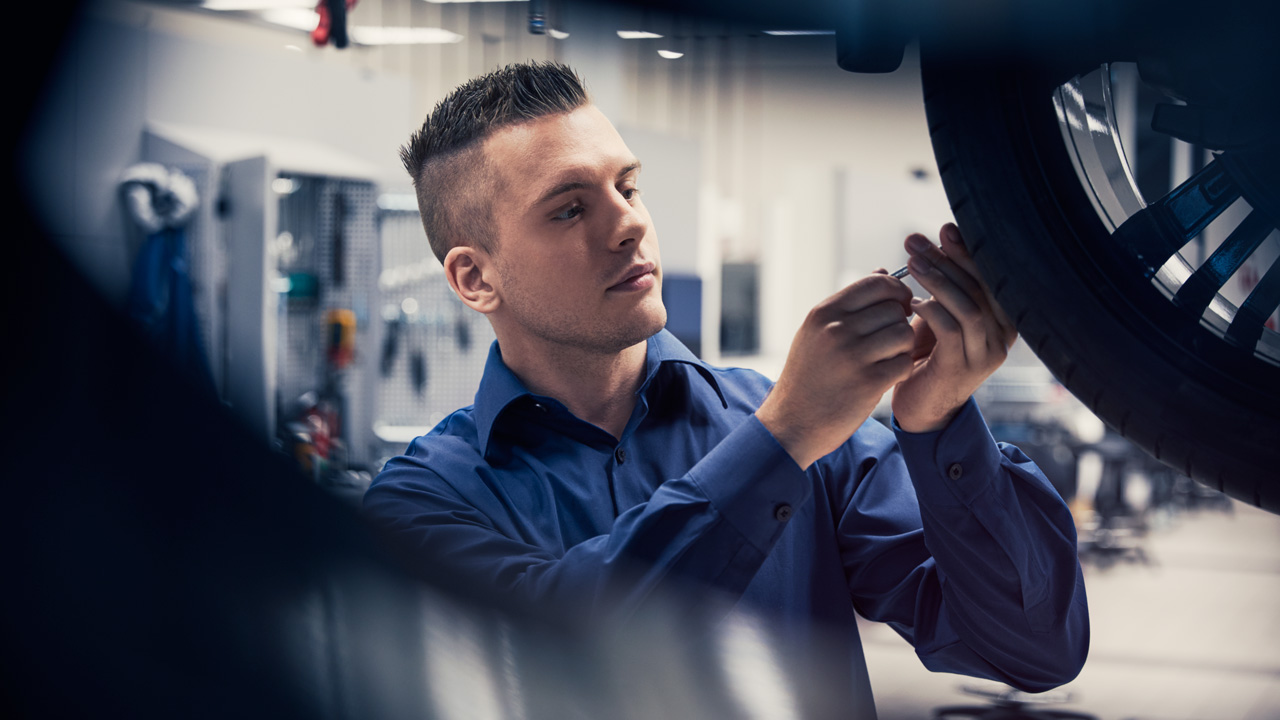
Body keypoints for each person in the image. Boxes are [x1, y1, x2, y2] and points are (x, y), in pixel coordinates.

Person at [364, 61, 1088, 717]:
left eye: (627, 187)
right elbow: (560, 649)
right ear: (474, 278)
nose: (630, 223)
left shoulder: (813, 441)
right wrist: (782, 439)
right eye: (570, 209)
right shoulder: (421, 505)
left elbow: (1035, 651)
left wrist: (938, 424)